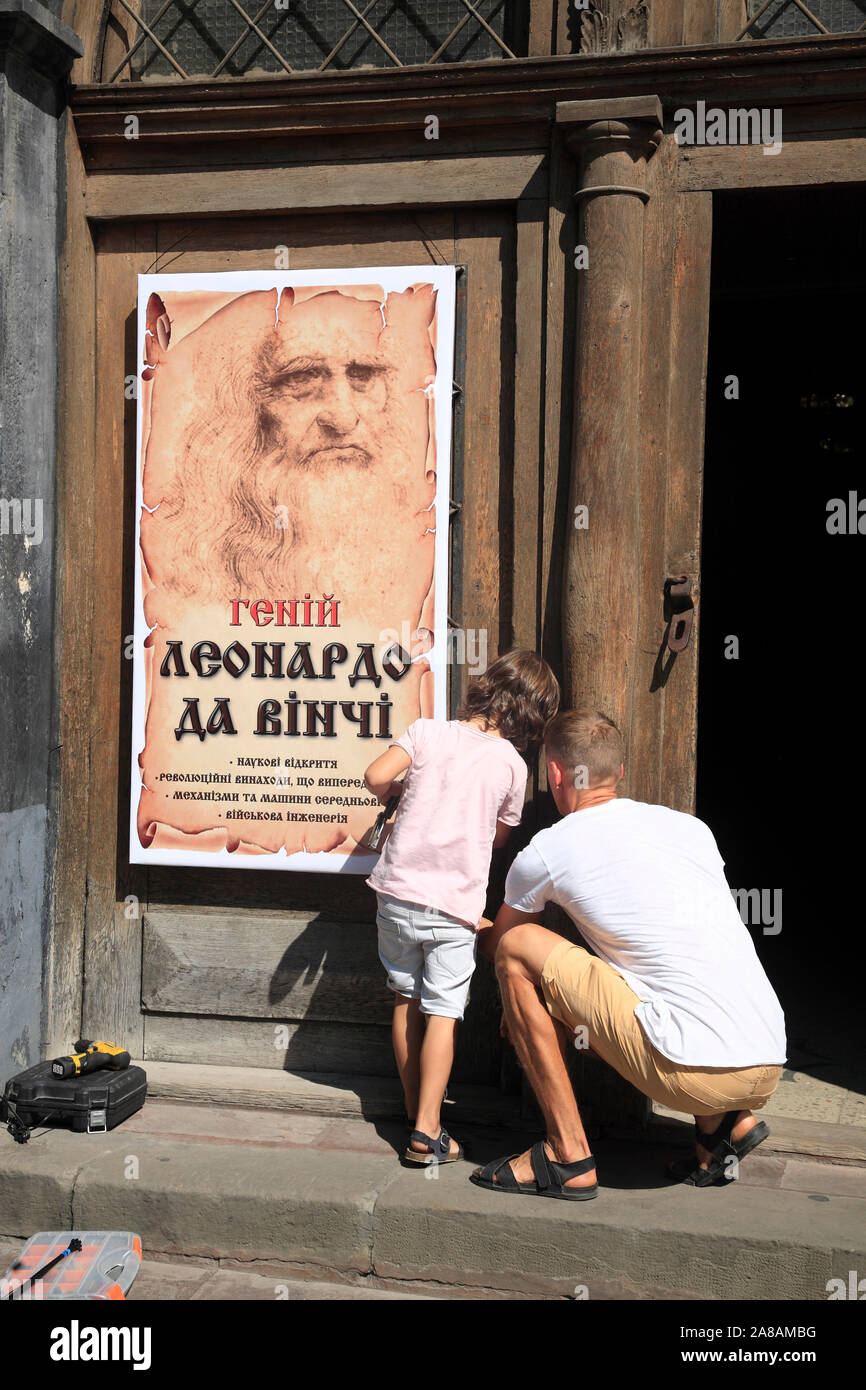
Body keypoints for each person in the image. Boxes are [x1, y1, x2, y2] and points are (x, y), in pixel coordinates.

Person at [472, 707, 787, 1200]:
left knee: (517, 949)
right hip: (767, 1061)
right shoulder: (692, 829)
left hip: (689, 1073)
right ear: (619, 772)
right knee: (671, 980)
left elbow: (499, 947)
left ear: (554, 773)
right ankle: (723, 1126)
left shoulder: (548, 849)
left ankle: (566, 1154)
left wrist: (470, 920)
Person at [363, 650, 560, 1165]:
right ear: (533, 714)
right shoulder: (513, 766)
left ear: (486, 686)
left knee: (405, 1000)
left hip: (397, 893)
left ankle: (412, 1112)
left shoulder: (427, 732)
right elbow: (497, 840)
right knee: (444, 1016)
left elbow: (373, 775)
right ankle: (427, 1132)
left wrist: (400, 791)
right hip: (454, 908)